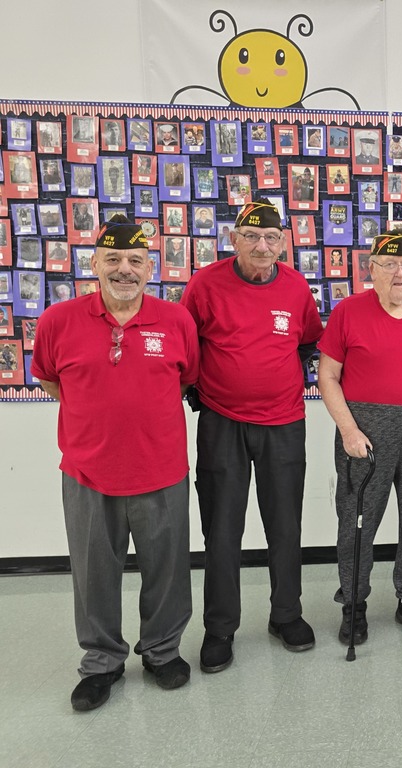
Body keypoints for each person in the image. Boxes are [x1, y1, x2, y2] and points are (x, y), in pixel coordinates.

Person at [31, 216, 199, 711]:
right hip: (87, 472)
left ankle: (162, 652)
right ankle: (101, 662)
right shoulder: (57, 321)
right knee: (93, 573)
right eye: (113, 260)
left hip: (161, 469)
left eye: (135, 261)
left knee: (167, 570)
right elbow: (49, 380)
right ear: (94, 265)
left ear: (150, 268)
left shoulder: (176, 321)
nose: (124, 270)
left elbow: (185, 378)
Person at [181, 199, 323, 673]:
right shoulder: (205, 284)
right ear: (234, 240)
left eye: (271, 238)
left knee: (285, 526)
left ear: (282, 243)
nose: (262, 246)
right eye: (252, 237)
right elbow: (187, 344)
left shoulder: (296, 285)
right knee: (222, 530)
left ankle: (287, 615)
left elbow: (306, 341)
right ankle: (220, 628)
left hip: (284, 421)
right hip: (222, 421)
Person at [317, 231, 402, 643]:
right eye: (391, 265)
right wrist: (348, 429)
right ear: (372, 271)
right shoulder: (349, 311)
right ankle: (354, 604)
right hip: (365, 428)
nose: (401, 274)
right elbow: (327, 375)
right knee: (358, 519)